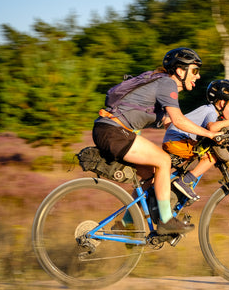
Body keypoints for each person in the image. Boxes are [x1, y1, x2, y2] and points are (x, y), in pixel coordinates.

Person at [92, 47, 221, 235]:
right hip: (113, 132)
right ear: (180, 71)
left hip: (111, 132)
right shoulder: (167, 84)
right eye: (195, 70)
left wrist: (207, 131)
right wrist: (210, 135)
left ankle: (126, 227)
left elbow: (171, 121)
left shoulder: (162, 87)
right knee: (163, 161)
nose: (198, 76)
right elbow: (178, 121)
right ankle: (166, 221)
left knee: (152, 174)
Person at [163, 79, 229, 200]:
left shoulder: (209, 111)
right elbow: (212, 128)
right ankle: (185, 182)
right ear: (222, 103)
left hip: (176, 141)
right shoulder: (210, 111)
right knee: (212, 156)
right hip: (177, 142)